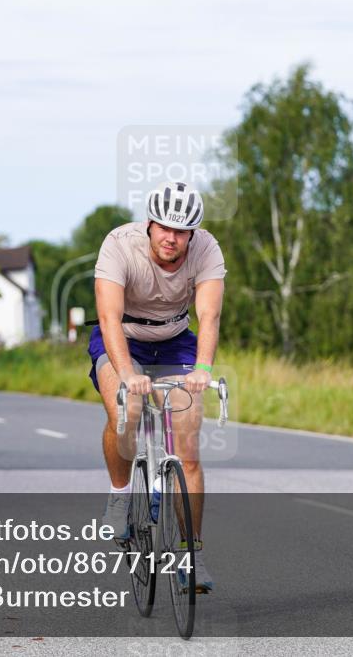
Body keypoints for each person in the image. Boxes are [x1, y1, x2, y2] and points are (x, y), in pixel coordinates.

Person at [89, 181, 226, 593]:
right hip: (124, 337)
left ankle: (192, 554)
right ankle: (119, 494)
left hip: (175, 339)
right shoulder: (118, 244)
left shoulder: (206, 249)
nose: (172, 238)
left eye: (182, 231)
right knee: (126, 411)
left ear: (193, 233)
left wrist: (202, 367)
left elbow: (209, 314)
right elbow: (110, 318)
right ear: (149, 224)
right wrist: (128, 374)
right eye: (165, 228)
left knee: (188, 446)